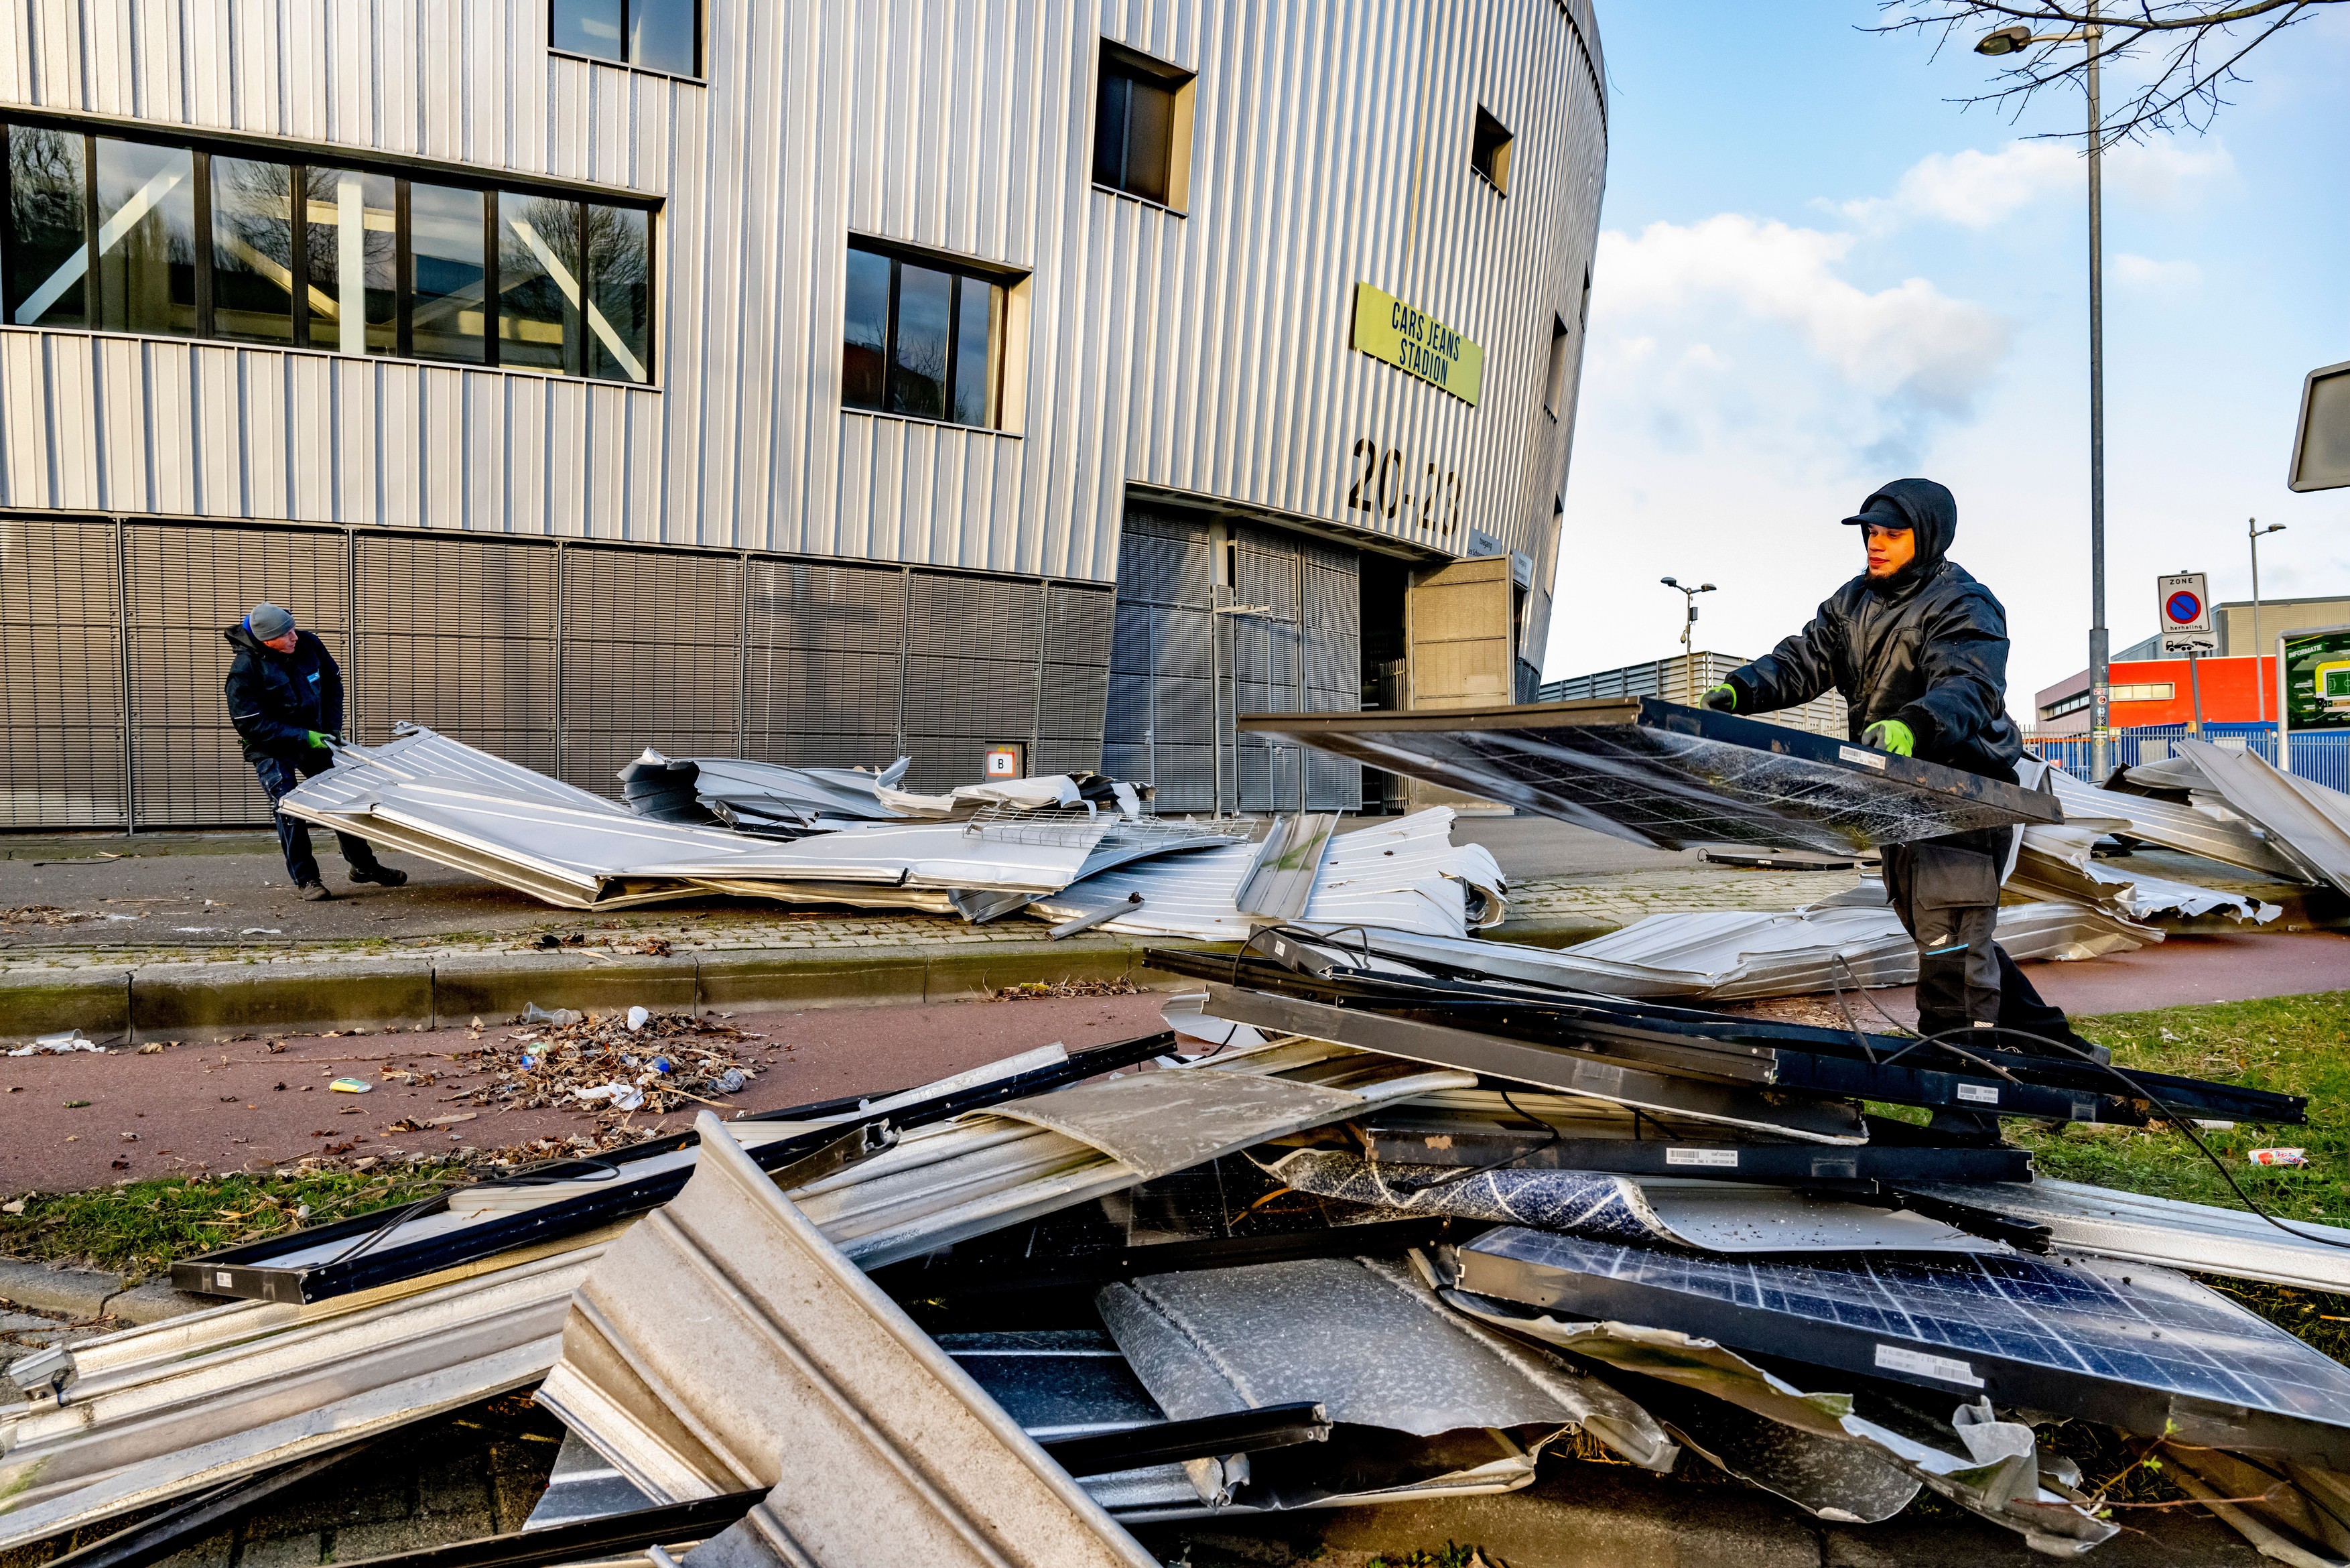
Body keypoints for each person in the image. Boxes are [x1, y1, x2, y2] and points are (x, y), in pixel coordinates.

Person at [1700, 478, 2085, 1053]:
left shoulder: (1965, 603)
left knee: (1951, 946)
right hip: (1894, 794)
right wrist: (1741, 690)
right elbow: (1802, 659)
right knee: (1943, 933)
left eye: (1891, 535)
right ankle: (2062, 1052)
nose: (1875, 545)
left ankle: (1966, 1109)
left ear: (1926, 536)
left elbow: (1968, 686)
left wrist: (1914, 724)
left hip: (1963, 796)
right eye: (1871, 534)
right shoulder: (1852, 601)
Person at [224, 601, 405, 901]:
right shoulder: (245, 670)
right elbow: (251, 724)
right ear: (266, 640)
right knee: (290, 807)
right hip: (271, 746)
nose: (295, 636)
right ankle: (307, 879)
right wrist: (303, 736)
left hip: (317, 737)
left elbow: (333, 683)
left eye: (293, 628)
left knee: (342, 800)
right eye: (286, 634)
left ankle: (364, 867)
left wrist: (331, 727)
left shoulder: (308, 644)